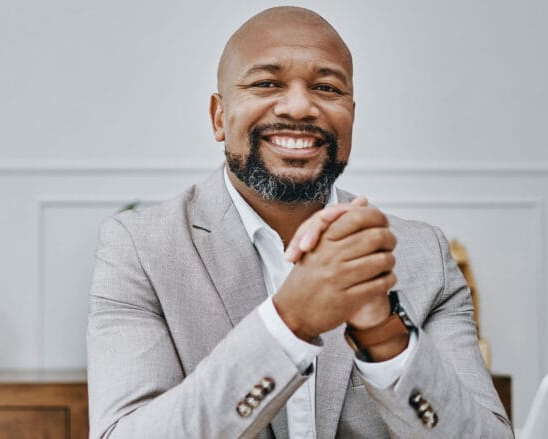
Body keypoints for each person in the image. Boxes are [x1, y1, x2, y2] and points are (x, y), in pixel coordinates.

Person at [86, 6, 512, 438]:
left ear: (351, 117)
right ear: (219, 117)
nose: (299, 105)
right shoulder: (140, 248)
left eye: (326, 87)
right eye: (267, 83)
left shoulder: (423, 256)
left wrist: (384, 334)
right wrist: (288, 321)